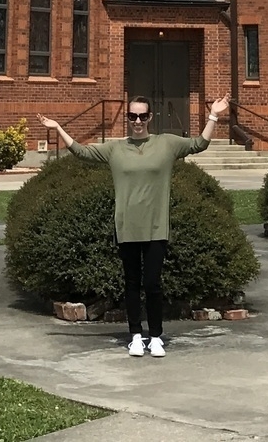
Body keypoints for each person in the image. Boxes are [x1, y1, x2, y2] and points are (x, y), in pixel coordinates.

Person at [38, 94, 229, 358]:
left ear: (150, 117)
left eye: (142, 116)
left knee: (152, 284)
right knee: (131, 284)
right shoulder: (115, 148)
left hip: (156, 227)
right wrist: (58, 128)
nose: (137, 121)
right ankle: (136, 336)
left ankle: (156, 337)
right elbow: (81, 152)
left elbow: (199, 144)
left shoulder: (166, 144)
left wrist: (214, 115)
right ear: (128, 119)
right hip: (126, 227)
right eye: (132, 116)